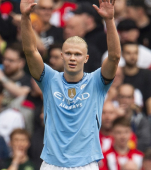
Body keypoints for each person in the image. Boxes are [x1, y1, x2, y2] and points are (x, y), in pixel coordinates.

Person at [20, 0, 121, 169]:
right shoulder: (49, 80)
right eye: (68, 53)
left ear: (86, 58)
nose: (72, 58)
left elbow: (114, 57)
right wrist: (25, 17)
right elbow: (30, 52)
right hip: (52, 164)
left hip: (85, 164)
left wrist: (109, 21)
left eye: (77, 54)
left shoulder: (97, 82)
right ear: (62, 56)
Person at [117, 84, 151, 152]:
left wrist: (127, 147)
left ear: (133, 99)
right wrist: (116, 117)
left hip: (134, 155)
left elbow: (145, 142)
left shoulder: (140, 119)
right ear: (117, 97)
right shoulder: (111, 116)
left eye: (128, 97)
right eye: (122, 97)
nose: (125, 100)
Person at [121, 42, 151, 115]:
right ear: (122, 54)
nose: (132, 56)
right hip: (118, 115)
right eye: (128, 53)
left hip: (142, 117)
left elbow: (149, 99)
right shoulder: (118, 74)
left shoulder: (147, 74)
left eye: (135, 53)